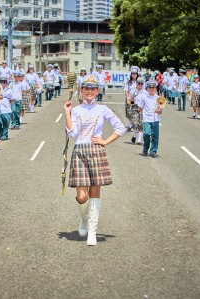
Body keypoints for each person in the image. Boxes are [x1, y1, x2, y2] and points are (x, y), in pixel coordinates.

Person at [64, 75, 125, 246]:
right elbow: (72, 134)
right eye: (86, 89)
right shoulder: (76, 110)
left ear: (97, 91)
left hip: (96, 151)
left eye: (93, 89)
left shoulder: (103, 109)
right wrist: (67, 113)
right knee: (82, 197)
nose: (89, 91)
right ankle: (83, 221)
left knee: (95, 192)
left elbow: (120, 128)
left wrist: (105, 141)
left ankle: (92, 231)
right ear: (81, 91)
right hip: (80, 152)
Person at [137, 80, 162, 158]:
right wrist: (138, 110)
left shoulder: (158, 98)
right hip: (147, 119)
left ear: (155, 89)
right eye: (150, 87)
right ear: (147, 88)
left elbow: (161, 110)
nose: (151, 89)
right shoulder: (144, 97)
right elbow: (140, 108)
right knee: (147, 134)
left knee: (155, 136)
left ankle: (153, 151)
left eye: (153, 87)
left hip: (155, 119)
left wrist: (159, 110)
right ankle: (145, 148)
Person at [128, 77, 146, 145]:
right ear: (136, 83)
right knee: (135, 124)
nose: (140, 85)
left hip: (142, 109)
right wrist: (132, 103)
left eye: (142, 83)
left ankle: (139, 140)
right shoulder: (132, 91)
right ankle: (134, 135)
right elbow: (129, 100)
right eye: (139, 83)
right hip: (134, 108)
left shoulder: (145, 92)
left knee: (140, 124)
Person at [0, 76, 13, 140]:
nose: (2, 84)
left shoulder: (9, 90)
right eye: (1, 82)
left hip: (6, 109)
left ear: (6, 83)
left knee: (6, 123)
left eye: (4, 82)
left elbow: (13, 99)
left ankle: (5, 135)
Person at [124, 67, 140, 133]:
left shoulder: (139, 82)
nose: (134, 75)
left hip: (137, 99)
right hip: (130, 99)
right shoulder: (129, 82)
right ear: (131, 74)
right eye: (133, 74)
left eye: (135, 74)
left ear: (137, 74)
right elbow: (126, 90)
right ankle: (130, 124)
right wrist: (127, 99)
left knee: (136, 112)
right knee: (129, 113)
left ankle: (134, 126)